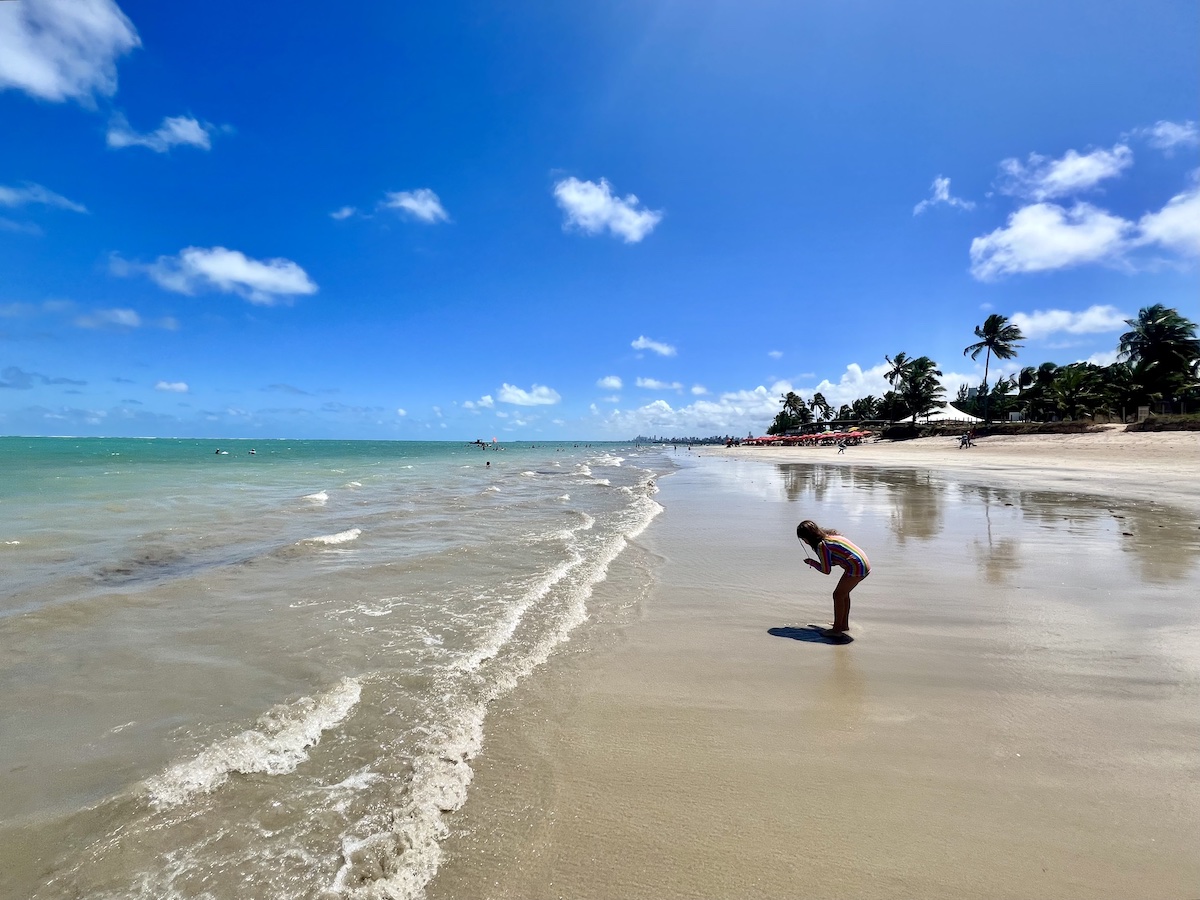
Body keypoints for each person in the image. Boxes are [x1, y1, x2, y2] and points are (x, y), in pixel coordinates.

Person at [796, 520, 870, 635]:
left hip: (856, 566)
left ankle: (836, 630)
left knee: (838, 595)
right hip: (863, 562)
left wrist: (812, 563)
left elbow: (826, 570)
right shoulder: (831, 536)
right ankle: (843, 625)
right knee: (844, 594)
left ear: (806, 539)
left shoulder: (822, 546)